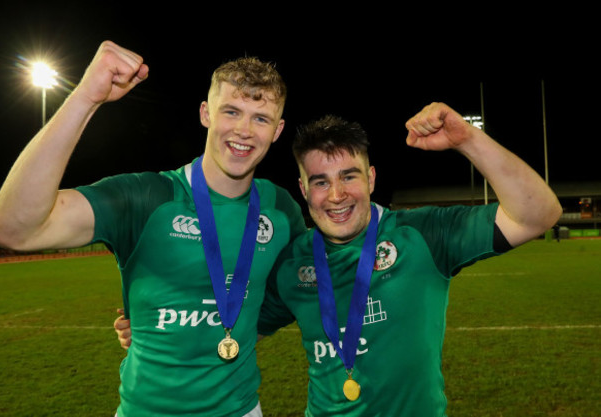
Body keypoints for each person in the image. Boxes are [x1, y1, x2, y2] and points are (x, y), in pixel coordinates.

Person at [116, 104, 562, 416]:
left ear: (370, 178)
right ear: (302, 188)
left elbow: (539, 214)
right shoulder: (293, 261)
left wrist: (467, 138)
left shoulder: (423, 234)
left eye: (348, 176)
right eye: (320, 181)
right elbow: (236, 318)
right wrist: (150, 322)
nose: (336, 195)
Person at [0, 40, 306, 417]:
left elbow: (298, 285)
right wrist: (86, 97)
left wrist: (245, 329)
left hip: (241, 410)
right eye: (231, 111)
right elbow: (13, 229)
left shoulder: (281, 209)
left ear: (278, 129)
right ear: (206, 113)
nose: (244, 130)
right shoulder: (146, 197)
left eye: (261, 118)